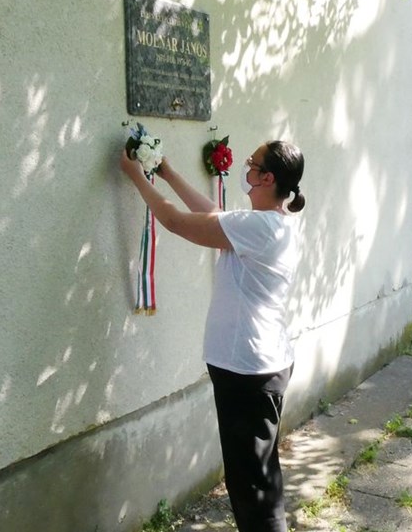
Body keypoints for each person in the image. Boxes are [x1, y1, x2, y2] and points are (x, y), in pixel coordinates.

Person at [120, 140, 305, 532]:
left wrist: (137, 176)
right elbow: (214, 215)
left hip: (247, 370)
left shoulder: (259, 227)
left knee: (251, 487)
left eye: (252, 164)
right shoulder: (269, 223)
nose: (246, 169)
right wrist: (168, 173)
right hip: (258, 364)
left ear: (267, 178)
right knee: (258, 477)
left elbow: (176, 222)